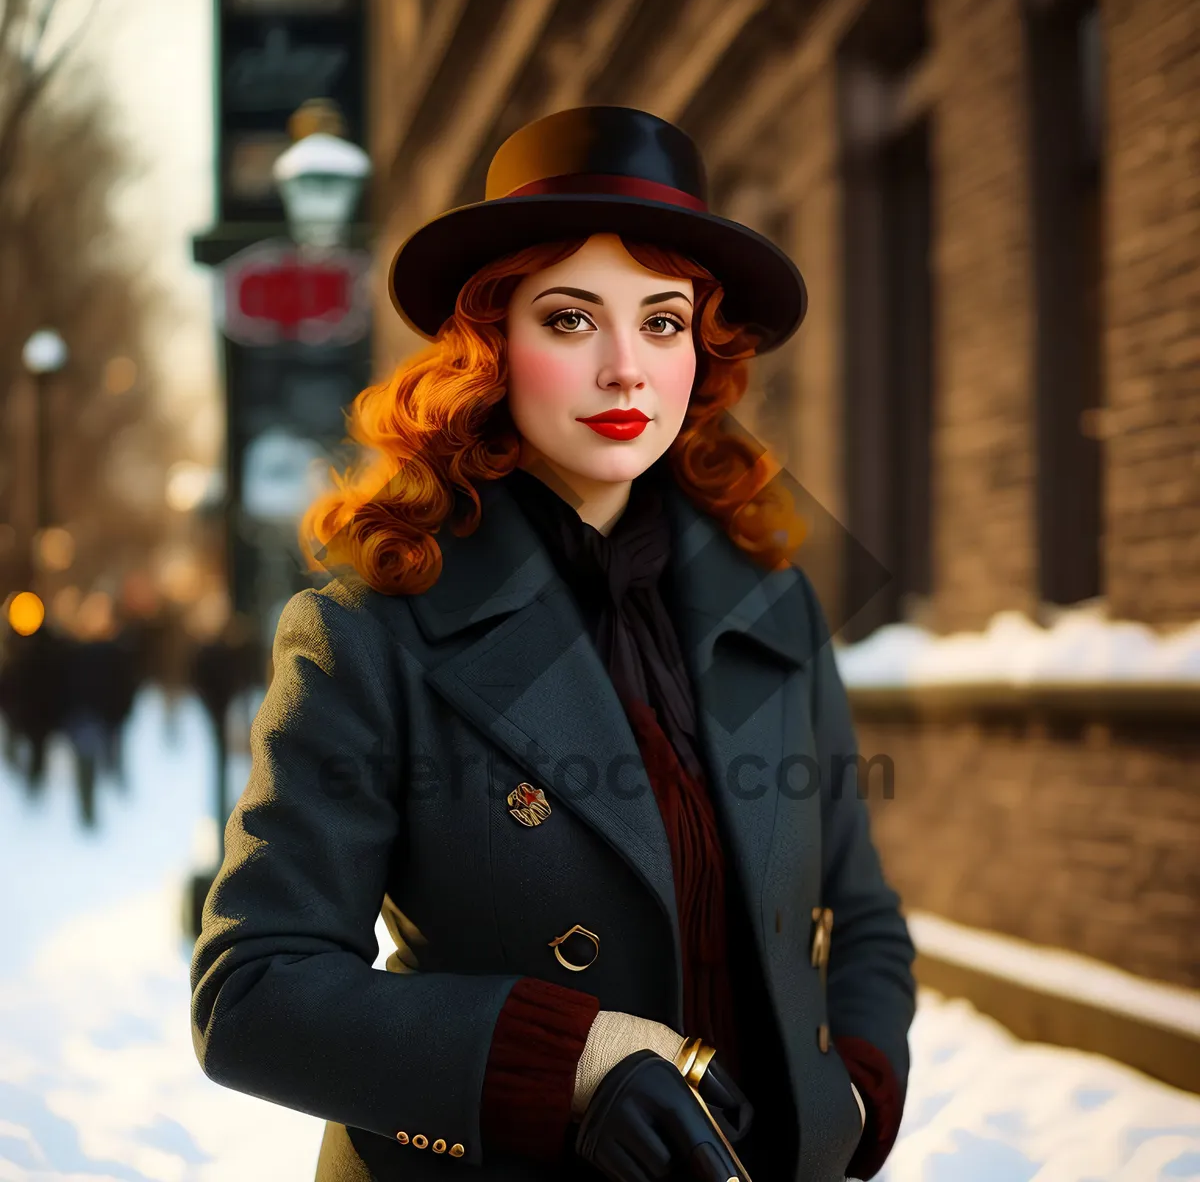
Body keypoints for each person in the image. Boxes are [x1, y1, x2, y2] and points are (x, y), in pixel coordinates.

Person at [190, 105, 916, 1182]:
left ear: (701, 354)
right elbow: (253, 990)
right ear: (491, 348)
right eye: (572, 320)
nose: (626, 369)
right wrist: (572, 1062)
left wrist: (852, 1092)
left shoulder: (773, 606)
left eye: (663, 322)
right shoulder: (369, 625)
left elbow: (858, 912)